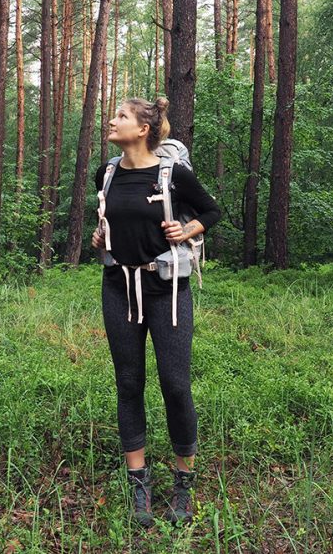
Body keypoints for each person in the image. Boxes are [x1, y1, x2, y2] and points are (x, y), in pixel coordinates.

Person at [91, 96, 221, 527]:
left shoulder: (173, 174)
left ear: (143, 129)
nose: (112, 121)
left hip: (168, 290)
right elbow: (112, 220)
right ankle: (139, 484)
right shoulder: (106, 173)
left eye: (121, 116)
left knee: (176, 385)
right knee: (128, 383)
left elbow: (212, 210)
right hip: (119, 288)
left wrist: (187, 229)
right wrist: (100, 236)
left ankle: (184, 482)